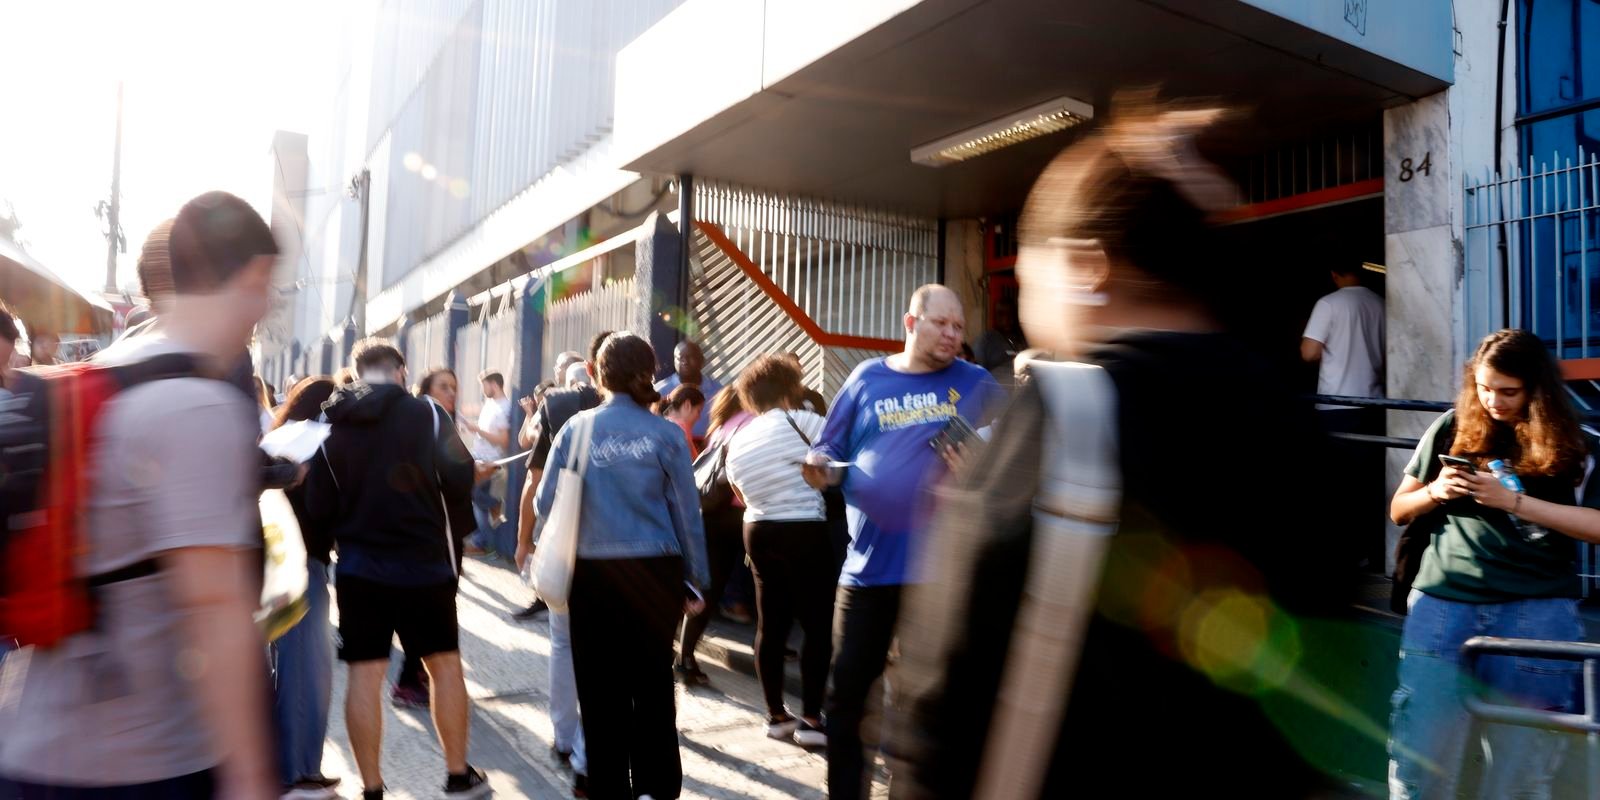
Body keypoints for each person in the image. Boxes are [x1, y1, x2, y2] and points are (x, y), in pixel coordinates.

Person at [888, 94, 1356, 798]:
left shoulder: (1057, 415)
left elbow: (945, 707)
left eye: (1031, 273)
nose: (1025, 301)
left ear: (1088, 266)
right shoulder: (1298, 430)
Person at [0, 191, 281, 799]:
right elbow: (214, 605)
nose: (266, 306)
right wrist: (252, 776)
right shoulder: (196, 404)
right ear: (253, 276)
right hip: (136, 760)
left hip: (40, 731)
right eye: (268, 287)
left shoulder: (116, 366)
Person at [801, 283, 1003, 800]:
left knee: (926, 710)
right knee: (847, 699)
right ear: (911, 323)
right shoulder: (866, 378)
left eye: (959, 326)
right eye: (942, 324)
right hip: (867, 571)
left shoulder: (978, 383)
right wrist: (819, 466)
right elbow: (829, 447)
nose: (953, 335)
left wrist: (983, 467)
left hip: (940, 578)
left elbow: (1020, 454)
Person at [1387, 328, 1600, 799]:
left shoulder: (1578, 440)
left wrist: (1513, 502)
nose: (1493, 402)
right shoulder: (1452, 426)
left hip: (1537, 610)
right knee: (1421, 755)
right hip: (1443, 605)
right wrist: (1435, 491)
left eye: (1508, 391)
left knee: (1521, 765)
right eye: (1484, 388)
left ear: (1536, 390)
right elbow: (1399, 509)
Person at [303, 339, 490, 799]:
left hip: (359, 569)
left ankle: (371, 788)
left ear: (356, 373)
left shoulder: (330, 421)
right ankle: (457, 776)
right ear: (401, 371)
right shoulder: (428, 414)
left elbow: (319, 506)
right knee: (444, 666)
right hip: (425, 565)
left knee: (365, 675)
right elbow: (459, 479)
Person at [533, 332, 709, 800]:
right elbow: (687, 514)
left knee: (600, 692)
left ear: (597, 374)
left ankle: (609, 787)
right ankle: (657, 788)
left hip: (593, 575)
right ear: (649, 373)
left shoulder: (576, 430)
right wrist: (696, 578)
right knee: (653, 684)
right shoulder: (667, 434)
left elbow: (545, 503)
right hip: (656, 572)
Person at [511, 333, 613, 791]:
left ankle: (564, 737)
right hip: (612, 553)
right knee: (601, 654)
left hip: (563, 547)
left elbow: (537, 490)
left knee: (563, 645)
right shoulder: (639, 417)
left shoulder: (557, 413)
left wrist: (525, 541)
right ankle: (589, 751)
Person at [724, 355, 833, 747]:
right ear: (791, 388)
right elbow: (838, 463)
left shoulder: (740, 436)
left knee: (770, 626)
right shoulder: (804, 422)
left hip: (757, 529)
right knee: (817, 626)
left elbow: (736, 489)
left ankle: (775, 716)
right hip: (804, 528)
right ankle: (811, 720)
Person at [271, 377, 343, 800]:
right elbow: (319, 506)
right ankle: (296, 773)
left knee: (294, 670)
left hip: (279, 565)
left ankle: (295, 769)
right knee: (305, 674)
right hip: (303, 567)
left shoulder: (283, 435)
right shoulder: (315, 441)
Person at [1303, 261, 1387, 569]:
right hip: (1376, 403)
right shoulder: (1380, 303)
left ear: (1333, 273)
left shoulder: (1328, 304)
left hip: (1336, 405)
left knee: (1337, 484)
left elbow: (1309, 352)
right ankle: (1373, 552)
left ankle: (1343, 553)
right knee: (1371, 483)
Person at [390, 367, 465, 710]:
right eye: (443, 387)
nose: (451, 393)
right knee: (430, 610)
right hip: (433, 535)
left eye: (454, 387)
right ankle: (410, 679)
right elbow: (454, 477)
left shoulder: (436, 423)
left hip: (433, 532)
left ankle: (417, 675)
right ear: (425, 390)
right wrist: (473, 472)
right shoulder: (428, 419)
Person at [675, 383, 756, 687]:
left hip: (710, 515)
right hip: (735, 514)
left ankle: (684, 657)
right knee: (760, 585)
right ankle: (685, 660)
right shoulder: (752, 422)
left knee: (706, 590)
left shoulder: (721, 426)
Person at [461, 370, 512, 555]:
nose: (483, 390)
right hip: (480, 459)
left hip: (491, 462)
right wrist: (473, 429)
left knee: (479, 499)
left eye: (484, 385)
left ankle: (483, 542)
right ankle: (483, 541)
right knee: (480, 500)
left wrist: (477, 430)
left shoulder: (504, 407)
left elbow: (504, 440)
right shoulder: (491, 404)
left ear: (494, 384)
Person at [654, 339, 722, 438]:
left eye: (690, 357)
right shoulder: (660, 391)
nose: (685, 362)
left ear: (701, 361)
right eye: (679, 358)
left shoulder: (717, 391)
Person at [970, 294, 1025, 378]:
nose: (1006, 319)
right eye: (1001, 314)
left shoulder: (1022, 340)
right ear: (995, 316)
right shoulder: (986, 340)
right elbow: (977, 372)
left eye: (1010, 314)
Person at [658, 384, 706, 458]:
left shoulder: (663, 425)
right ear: (687, 405)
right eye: (698, 411)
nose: (699, 417)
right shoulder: (681, 431)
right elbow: (695, 463)